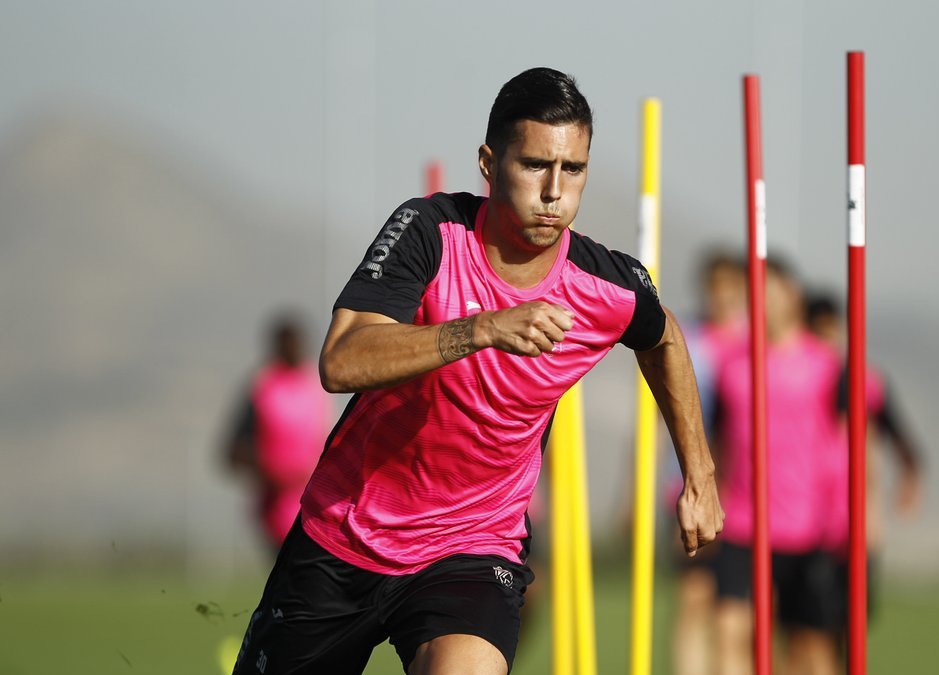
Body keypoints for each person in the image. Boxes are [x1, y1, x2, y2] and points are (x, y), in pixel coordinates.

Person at [231, 67, 723, 675]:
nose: (553, 192)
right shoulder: (429, 231)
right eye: (534, 165)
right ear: (490, 164)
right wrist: (482, 328)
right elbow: (342, 359)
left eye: (573, 171)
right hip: (345, 539)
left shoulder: (605, 284)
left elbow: (666, 339)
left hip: (471, 551)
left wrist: (700, 477)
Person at [711, 258, 847, 675]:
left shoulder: (827, 365)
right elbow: (716, 441)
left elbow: (850, 444)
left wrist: (845, 517)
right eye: (756, 292)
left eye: (772, 290)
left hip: (810, 527)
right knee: (731, 629)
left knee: (809, 647)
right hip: (744, 522)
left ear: (794, 297)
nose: (763, 300)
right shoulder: (732, 365)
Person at [670, 250, 746, 675]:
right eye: (713, 288)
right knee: (694, 594)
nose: (720, 297)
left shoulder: (753, 343)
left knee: (737, 610)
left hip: (745, 488)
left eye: (728, 288)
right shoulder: (688, 338)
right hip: (685, 480)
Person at [805, 293, 923, 550]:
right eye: (819, 334)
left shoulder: (868, 383)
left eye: (832, 331)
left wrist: (910, 477)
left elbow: (900, 437)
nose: (828, 343)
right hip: (807, 518)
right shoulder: (796, 385)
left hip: (856, 516)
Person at [224, 314, 331, 549]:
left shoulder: (315, 385)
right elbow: (233, 452)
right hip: (276, 506)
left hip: (316, 502)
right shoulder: (264, 388)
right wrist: (272, 472)